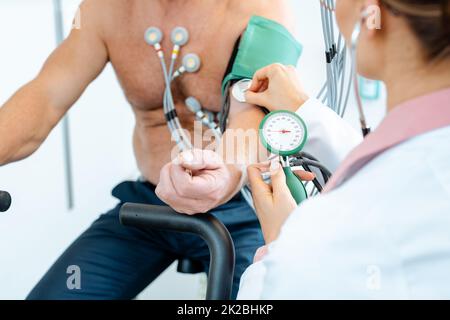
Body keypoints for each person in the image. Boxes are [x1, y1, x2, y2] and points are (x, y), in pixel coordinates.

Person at [0, 0, 296, 299]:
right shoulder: (103, 10)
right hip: (149, 206)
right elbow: (46, 97)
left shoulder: (261, 7)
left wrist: (228, 171)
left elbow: (254, 114)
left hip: (246, 209)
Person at [238, 0, 450, 299]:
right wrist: (304, 110)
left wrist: (280, 244)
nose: (330, 9)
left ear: (371, 14)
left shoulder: (346, 225)